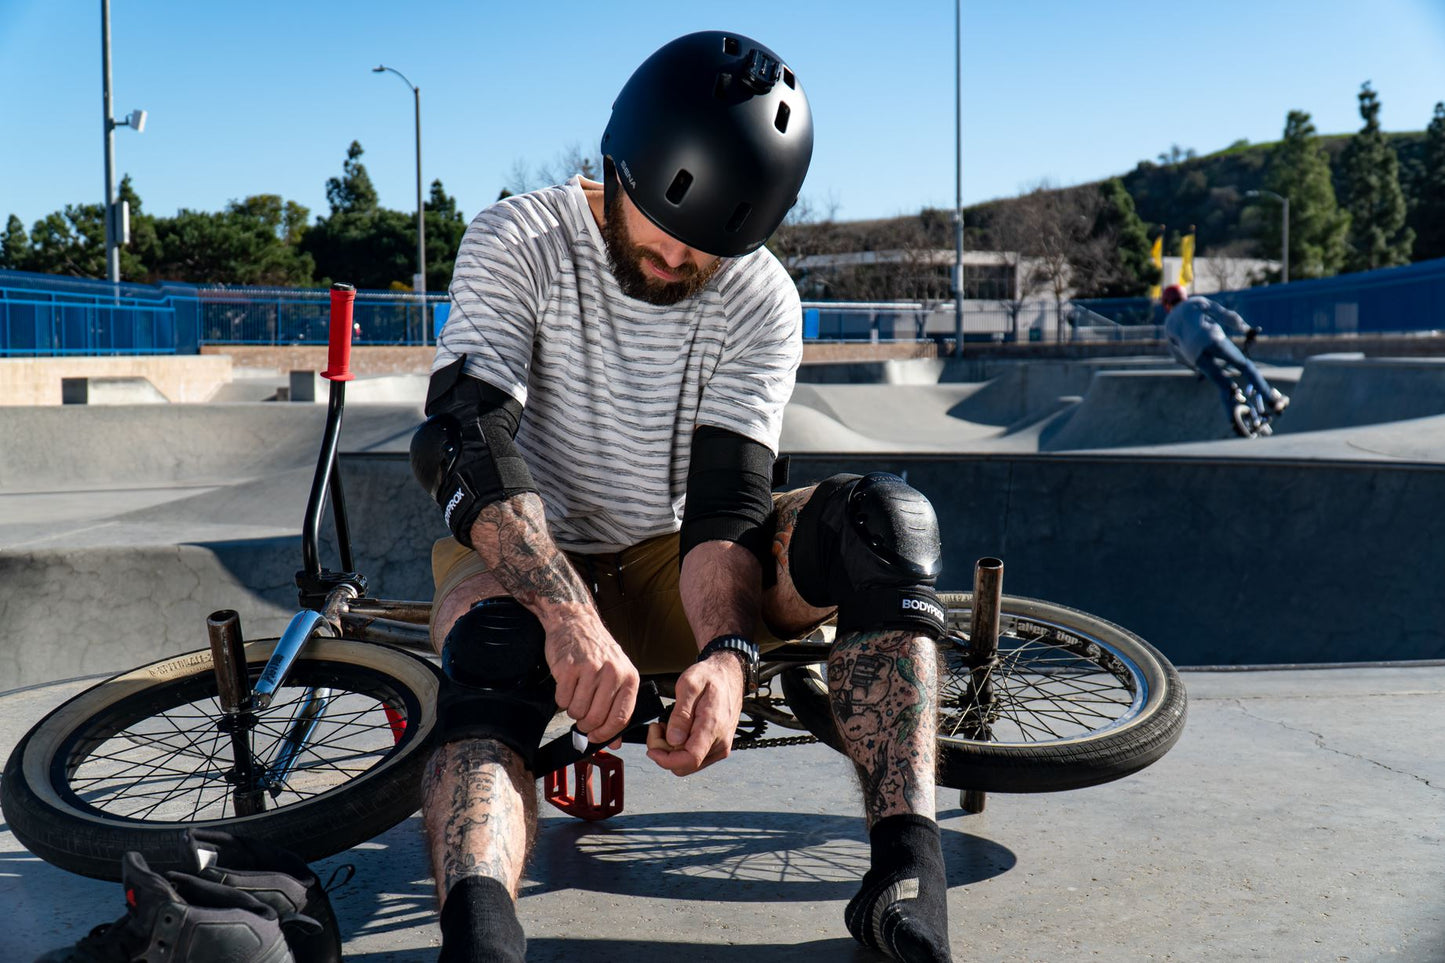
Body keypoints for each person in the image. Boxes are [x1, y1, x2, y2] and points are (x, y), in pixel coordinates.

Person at [407, 30, 954, 963]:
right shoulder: (520, 237)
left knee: (882, 523)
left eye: (708, 250)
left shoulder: (760, 299)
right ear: (619, 166)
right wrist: (568, 616)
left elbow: (727, 506)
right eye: (663, 230)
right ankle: (481, 935)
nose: (674, 262)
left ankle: (906, 879)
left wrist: (732, 652)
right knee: (499, 650)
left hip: (673, 556)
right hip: (530, 546)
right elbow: (467, 435)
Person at [1161, 284, 1289, 435]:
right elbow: (1224, 314)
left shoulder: (1168, 324)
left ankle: (1234, 422)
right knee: (1245, 366)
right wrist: (1246, 329)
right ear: (1183, 295)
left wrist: (1196, 368)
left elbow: (1176, 354)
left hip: (1194, 355)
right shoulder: (1194, 302)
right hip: (1212, 338)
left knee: (1225, 386)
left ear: (1167, 303)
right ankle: (1272, 400)